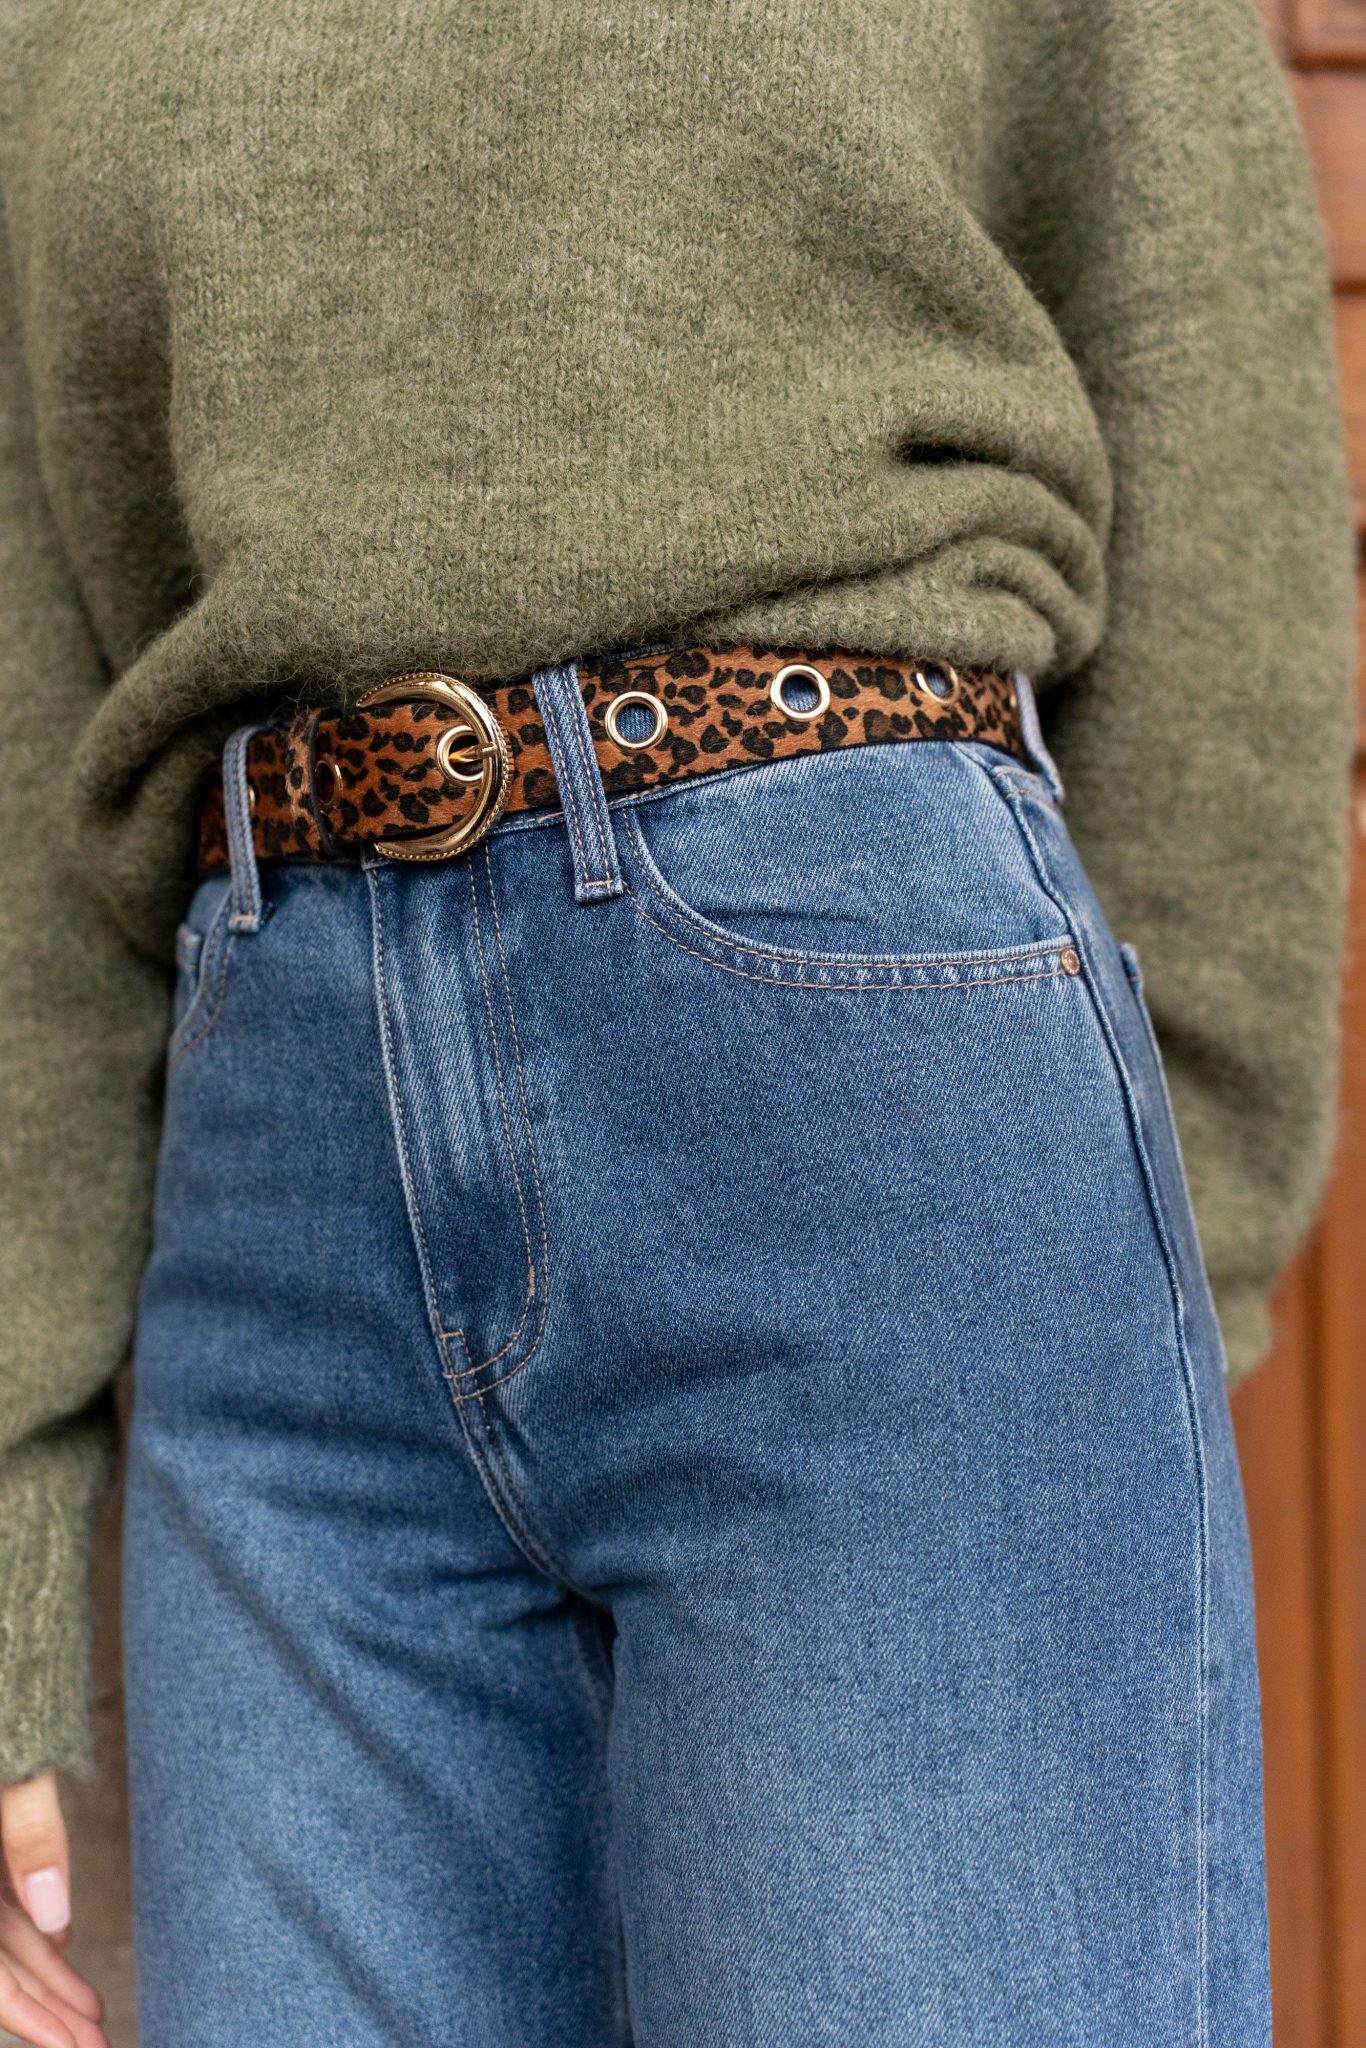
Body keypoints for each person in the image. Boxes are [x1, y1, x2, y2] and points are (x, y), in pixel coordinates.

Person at [0, 2, 1356, 2043]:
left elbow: (1206, 411)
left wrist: (1149, 1252)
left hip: (861, 1112)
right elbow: (26, 675)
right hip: (273, 1189)